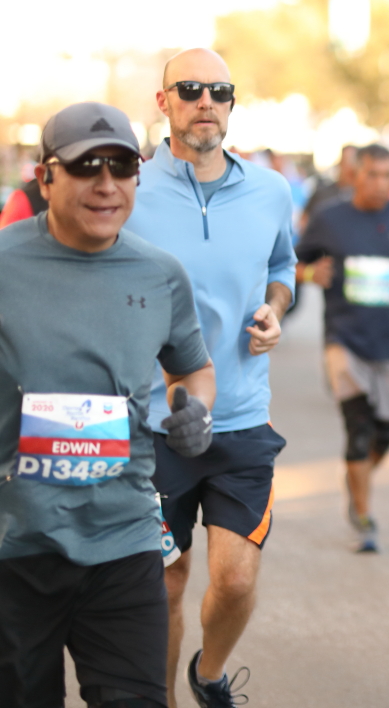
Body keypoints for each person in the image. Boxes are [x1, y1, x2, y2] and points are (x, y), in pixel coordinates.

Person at [0, 102, 216, 708]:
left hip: (123, 544)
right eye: (85, 166)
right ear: (46, 178)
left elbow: (193, 369)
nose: (105, 184)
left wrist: (194, 410)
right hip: (17, 548)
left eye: (121, 167)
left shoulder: (159, 274)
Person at [124, 48, 296, 708]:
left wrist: (275, 309)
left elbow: (284, 266)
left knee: (236, 580)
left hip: (244, 418)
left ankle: (209, 674)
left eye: (219, 90)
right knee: (167, 583)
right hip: (154, 424)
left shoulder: (271, 190)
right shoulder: (131, 189)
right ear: (163, 101)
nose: (206, 102)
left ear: (231, 103)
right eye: (190, 89)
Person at [295, 143, 389, 553]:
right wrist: (307, 272)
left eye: (387, 176)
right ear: (354, 175)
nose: (380, 183)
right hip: (344, 341)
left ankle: (357, 475)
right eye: (371, 174)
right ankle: (364, 516)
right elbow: (288, 262)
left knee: (383, 437)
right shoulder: (329, 220)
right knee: (358, 431)